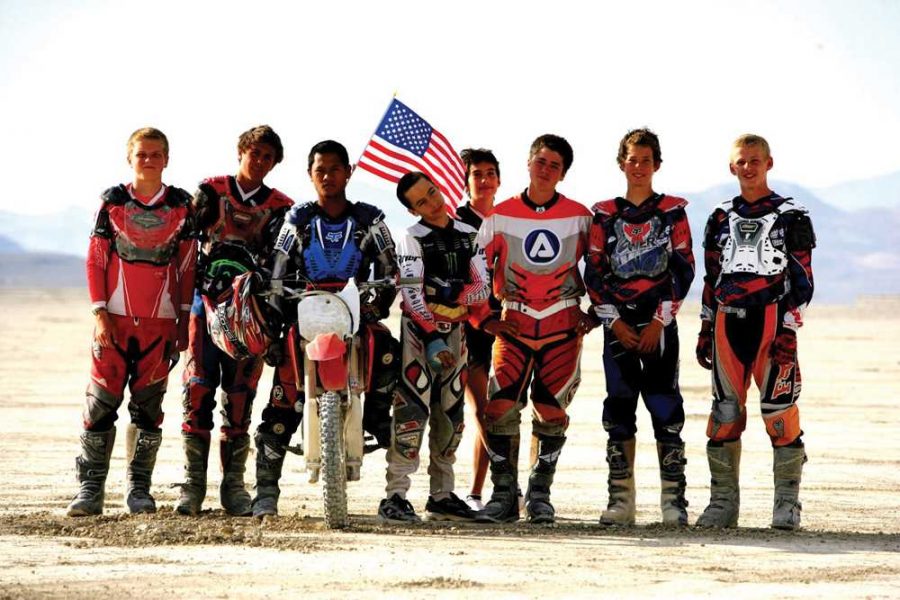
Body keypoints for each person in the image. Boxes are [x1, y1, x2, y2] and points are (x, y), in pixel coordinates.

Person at [252, 140, 401, 518]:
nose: (327, 176)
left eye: (335, 168)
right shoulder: (297, 219)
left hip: (354, 308)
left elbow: (388, 267)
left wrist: (376, 304)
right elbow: (277, 269)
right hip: (306, 310)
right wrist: (274, 312)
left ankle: (377, 417)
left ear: (349, 171)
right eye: (320, 169)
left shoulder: (371, 218)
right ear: (309, 174)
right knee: (283, 398)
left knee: (386, 347)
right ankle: (265, 493)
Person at [68, 127, 196, 516]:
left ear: (167, 159)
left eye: (156, 154)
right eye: (142, 154)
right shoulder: (113, 202)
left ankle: (138, 489)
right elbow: (95, 260)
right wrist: (99, 312)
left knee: (148, 409)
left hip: (160, 324)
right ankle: (90, 490)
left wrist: (184, 319)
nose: (149, 160)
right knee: (101, 404)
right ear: (130, 158)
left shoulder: (181, 205)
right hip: (114, 323)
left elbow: (188, 265)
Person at [472, 134, 595, 524]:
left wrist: (596, 312)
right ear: (528, 164)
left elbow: (602, 268)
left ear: (563, 174)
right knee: (500, 407)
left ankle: (540, 496)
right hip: (514, 325)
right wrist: (483, 318)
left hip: (561, 325)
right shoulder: (499, 216)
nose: (545, 170)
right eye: (540, 162)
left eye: (554, 165)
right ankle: (504, 495)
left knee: (551, 410)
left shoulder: (580, 217)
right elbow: (475, 271)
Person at [695, 134, 815, 531]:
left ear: (769, 163)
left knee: (779, 414)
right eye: (741, 161)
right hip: (727, 322)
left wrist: (788, 327)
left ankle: (786, 505)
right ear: (732, 167)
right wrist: (705, 325)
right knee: (725, 414)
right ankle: (722, 505)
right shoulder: (718, 217)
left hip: (771, 321)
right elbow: (712, 277)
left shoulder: (792, 214)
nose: (748, 167)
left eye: (755, 161)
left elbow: (803, 279)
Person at [177, 125, 293, 516]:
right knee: (198, 390)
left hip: (251, 313)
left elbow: (283, 260)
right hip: (205, 305)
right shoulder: (211, 191)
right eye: (254, 153)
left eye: (267, 157)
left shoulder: (281, 207)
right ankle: (192, 487)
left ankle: (234, 487)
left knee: (240, 397)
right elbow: (183, 239)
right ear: (240, 151)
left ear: (274, 163)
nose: (258, 161)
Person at [584, 128, 695, 527]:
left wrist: (659, 321)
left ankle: (674, 502)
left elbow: (684, 267)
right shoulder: (604, 214)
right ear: (621, 163)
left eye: (646, 160)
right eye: (632, 159)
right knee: (618, 404)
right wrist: (613, 322)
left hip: (659, 322)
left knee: (666, 406)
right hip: (619, 324)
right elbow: (593, 271)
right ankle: (621, 500)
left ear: (657, 165)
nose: (638, 167)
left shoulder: (672, 211)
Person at [377, 171, 490, 524]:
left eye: (432, 192)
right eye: (422, 201)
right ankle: (395, 494)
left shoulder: (470, 234)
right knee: (411, 411)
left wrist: (449, 293)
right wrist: (431, 334)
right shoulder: (412, 237)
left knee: (452, 414)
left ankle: (442, 493)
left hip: (457, 332)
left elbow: (482, 288)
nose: (433, 202)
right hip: (418, 335)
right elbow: (411, 293)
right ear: (413, 210)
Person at [455, 148, 502, 512]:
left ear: (499, 179)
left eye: (490, 173)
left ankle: (476, 491)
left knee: (504, 411)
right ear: (466, 180)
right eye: (477, 174)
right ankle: (504, 482)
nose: (484, 180)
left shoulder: (508, 219)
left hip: (509, 322)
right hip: (470, 326)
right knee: (482, 411)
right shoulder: (455, 223)